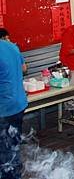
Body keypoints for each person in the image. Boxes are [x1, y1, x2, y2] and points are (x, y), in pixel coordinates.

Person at [0, 28, 27, 179]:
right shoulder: (11, 46)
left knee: (5, 150)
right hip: (18, 104)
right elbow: (24, 68)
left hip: (3, 108)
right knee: (13, 144)